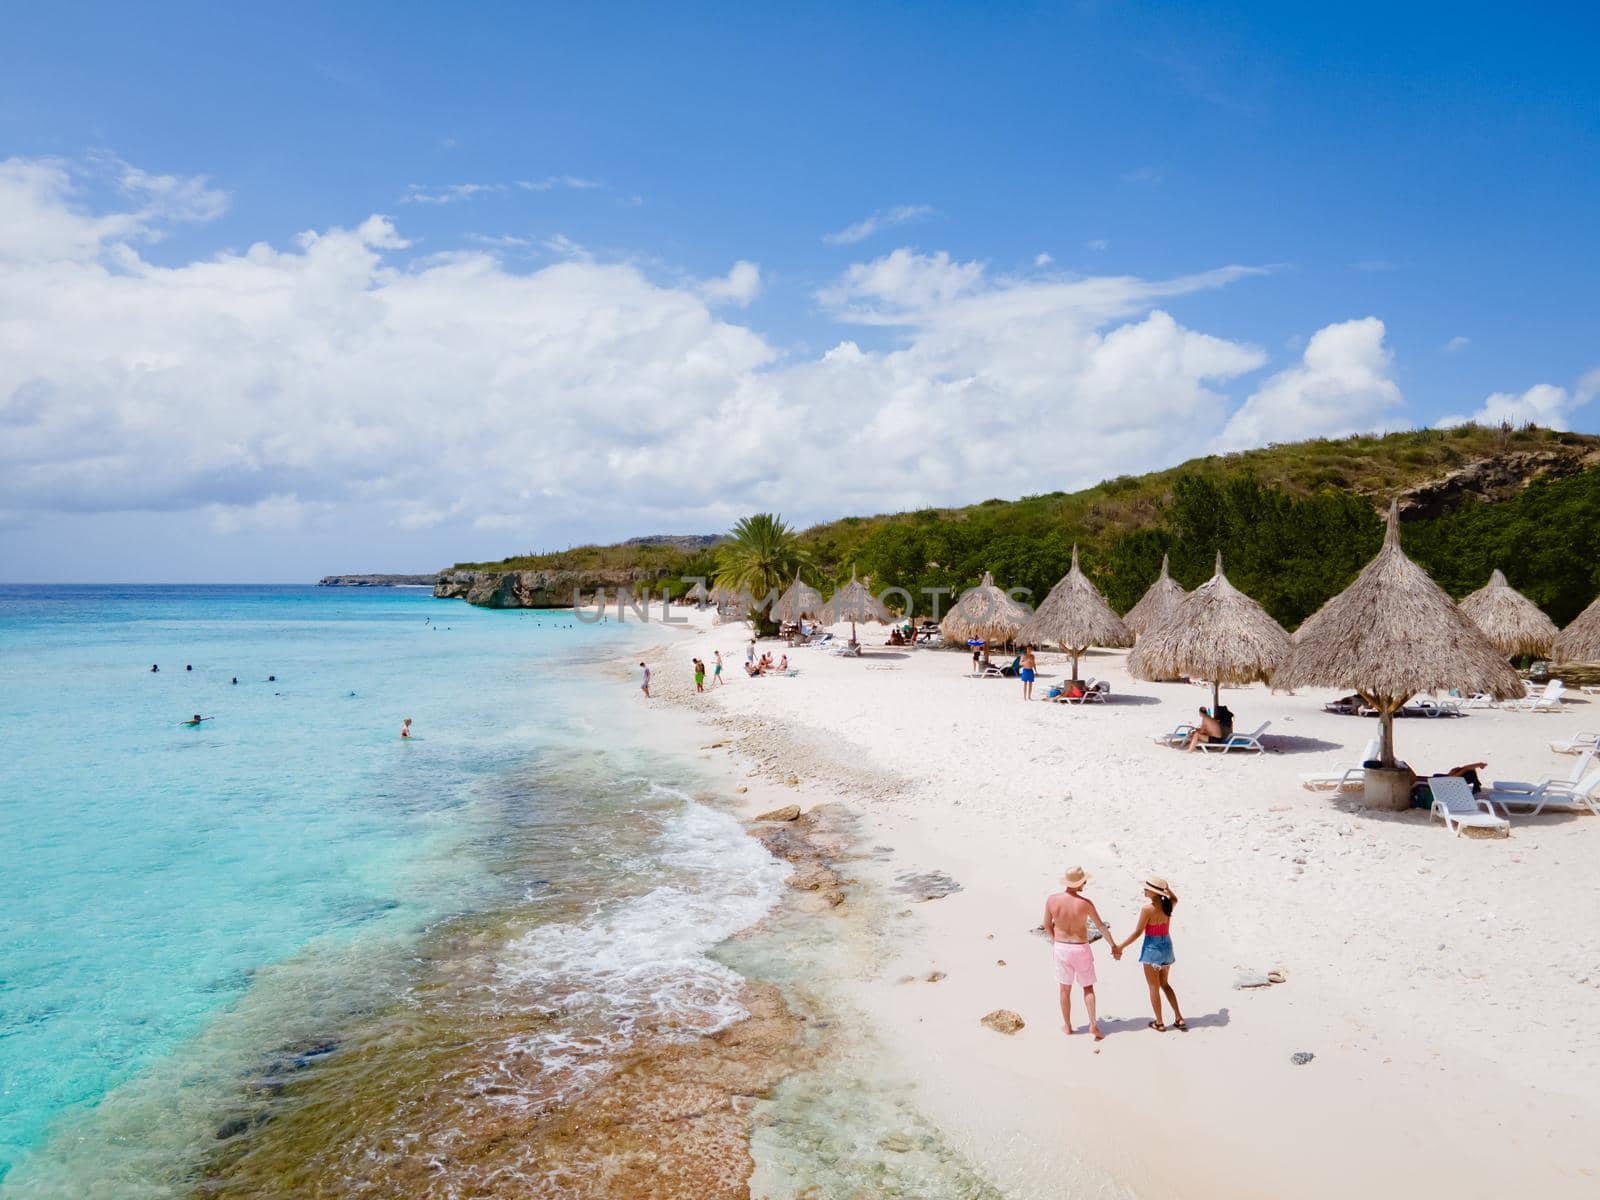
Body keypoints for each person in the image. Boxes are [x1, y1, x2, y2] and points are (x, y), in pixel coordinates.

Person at [1043, 866, 1118, 1040]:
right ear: (1079, 883)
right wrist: (1113, 945)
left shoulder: (1052, 900)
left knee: (1064, 989)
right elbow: (1100, 926)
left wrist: (1056, 940)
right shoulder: (1085, 903)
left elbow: (1047, 923)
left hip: (1061, 947)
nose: (1085, 883)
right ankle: (1093, 1024)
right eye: (1084, 881)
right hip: (1080, 947)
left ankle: (1068, 1026)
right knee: (1088, 987)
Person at [1113, 877, 1186, 1032]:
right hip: (1167, 948)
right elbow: (1174, 898)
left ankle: (1159, 1023)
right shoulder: (1168, 906)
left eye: (1147, 888)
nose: (1144, 890)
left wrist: (1120, 946)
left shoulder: (1148, 909)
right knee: (1165, 984)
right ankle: (1179, 1017)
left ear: (1154, 892)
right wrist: (1167, 888)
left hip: (1152, 950)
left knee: (1153, 987)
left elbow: (1138, 932)